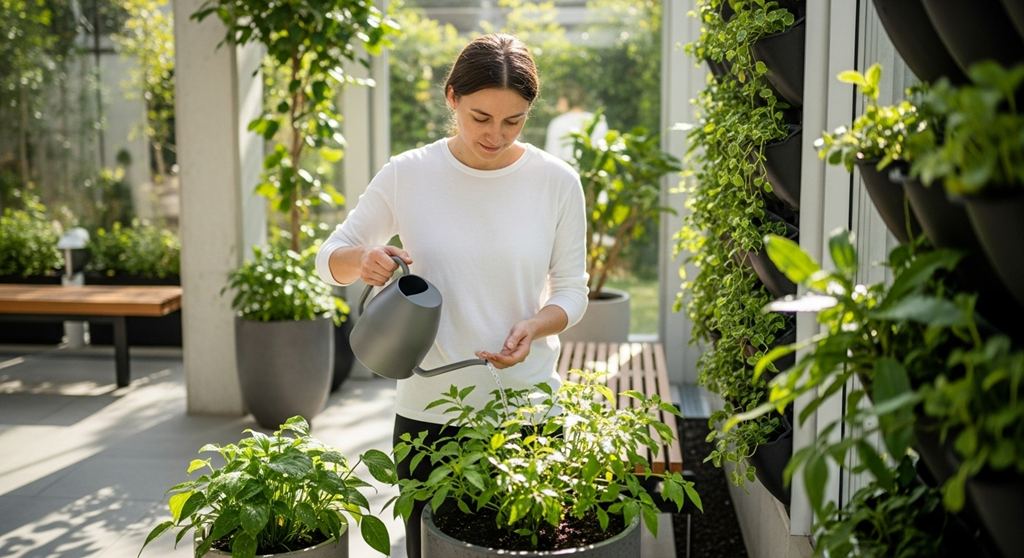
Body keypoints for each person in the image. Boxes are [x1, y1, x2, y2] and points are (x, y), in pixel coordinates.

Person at [314, 33, 589, 558]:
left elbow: (573, 290)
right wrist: (363, 258)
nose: (496, 135)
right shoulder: (409, 173)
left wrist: (534, 326)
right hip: (428, 417)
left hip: (527, 414)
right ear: (452, 98)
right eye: (481, 117)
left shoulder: (556, 181)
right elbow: (331, 258)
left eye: (514, 121)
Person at [543, 85, 608, 162]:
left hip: (564, 172)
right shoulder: (598, 121)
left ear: (565, 100)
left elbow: (551, 155)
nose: (558, 102)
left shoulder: (557, 123)